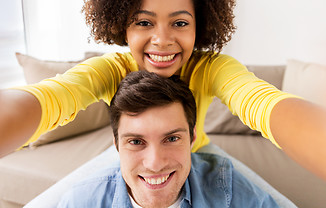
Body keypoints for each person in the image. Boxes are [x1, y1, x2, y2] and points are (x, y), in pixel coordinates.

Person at [0, 0, 325, 205]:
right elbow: (49, 98)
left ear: (200, 27)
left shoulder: (211, 68)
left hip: (199, 151)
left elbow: (263, 104)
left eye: (180, 23)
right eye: (144, 22)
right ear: (122, 27)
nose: (162, 40)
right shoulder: (108, 70)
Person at [58, 70, 279, 208]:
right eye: (136, 142)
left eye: (172, 139)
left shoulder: (226, 188)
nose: (155, 164)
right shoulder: (79, 201)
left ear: (192, 138)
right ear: (117, 145)